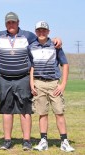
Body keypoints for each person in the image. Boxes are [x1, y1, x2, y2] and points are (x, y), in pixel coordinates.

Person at [0, 12, 62, 151]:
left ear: (18, 22)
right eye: (8, 22)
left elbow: (43, 39)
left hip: (23, 78)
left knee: (24, 110)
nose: (11, 24)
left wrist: (56, 39)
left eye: (13, 22)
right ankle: (7, 140)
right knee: (6, 110)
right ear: (5, 24)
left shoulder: (28, 35)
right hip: (5, 78)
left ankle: (27, 140)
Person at [29, 21, 75, 152]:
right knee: (42, 113)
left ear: (48, 32)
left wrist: (63, 84)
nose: (41, 33)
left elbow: (65, 65)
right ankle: (43, 141)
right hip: (38, 83)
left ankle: (64, 141)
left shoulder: (56, 46)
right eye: (39, 30)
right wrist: (31, 82)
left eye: (44, 30)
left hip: (54, 83)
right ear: (36, 32)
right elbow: (31, 66)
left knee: (59, 112)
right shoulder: (31, 47)